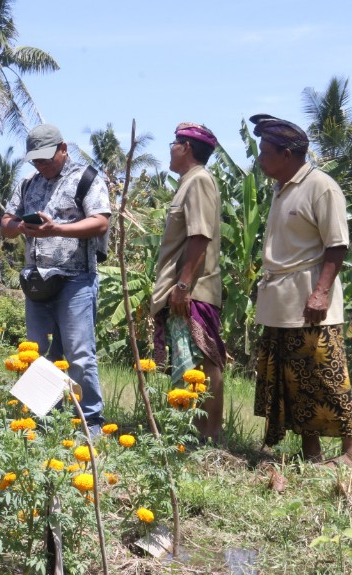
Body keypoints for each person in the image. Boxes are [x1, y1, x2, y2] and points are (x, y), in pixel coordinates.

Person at [250, 113, 352, 466]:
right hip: (280, 301)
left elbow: (336, 244)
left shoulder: (321, 186)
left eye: (265, 151)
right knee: (292, 378)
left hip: (309, 299)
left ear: (286, 154)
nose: (260, 159)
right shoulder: (281, 189)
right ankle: (310, 452)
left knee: (326, 375)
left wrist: (321, 292)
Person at [1, 124, 111, 434]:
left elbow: (101, 222)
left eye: (46, 159)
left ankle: (89, 423)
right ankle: (45, 421)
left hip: (76, 279)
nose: (41, 166)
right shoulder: (27, 184)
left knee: (79, 353)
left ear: (63, 148)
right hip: (37, 283)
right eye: (35, 161)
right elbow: (6, 222)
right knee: (37, 353)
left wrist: (57, 229)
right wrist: (20, 225)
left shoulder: (87, 179)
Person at [150, 123, 227, 443]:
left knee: (202, 363)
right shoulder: (187, 183)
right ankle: (188, 433)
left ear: (187, 148)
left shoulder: (198, 182)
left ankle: (207, 435)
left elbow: (199, 236)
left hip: (192, 290)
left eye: (174, 143)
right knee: (186, 363)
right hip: (184, 289)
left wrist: (182, 285)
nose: (170, 148)